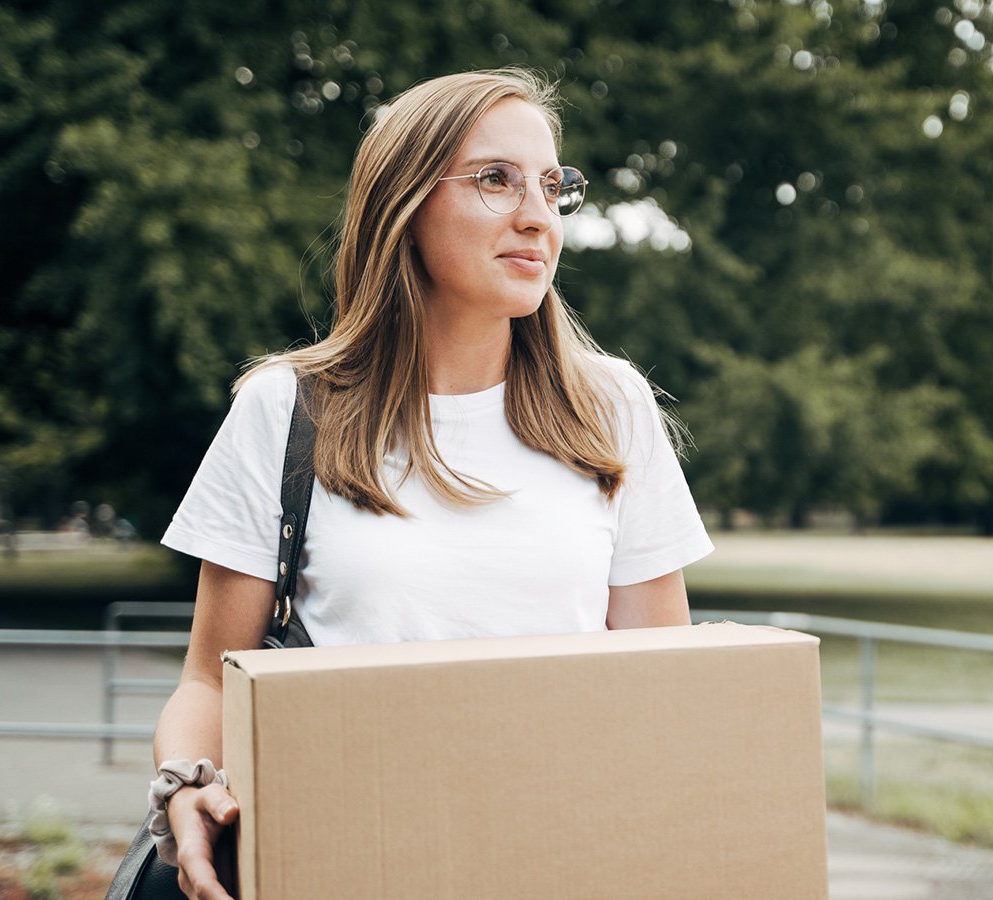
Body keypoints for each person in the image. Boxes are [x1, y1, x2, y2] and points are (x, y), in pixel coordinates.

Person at [152, 68, 713, 899]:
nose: (537, 214)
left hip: (563, 861)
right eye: (496, 179)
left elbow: (658, 687)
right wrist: (188, 785)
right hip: (342, 857)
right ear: (402, 206)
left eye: (552, 186)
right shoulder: (288, 406)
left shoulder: (612, 407)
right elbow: (210, 677)